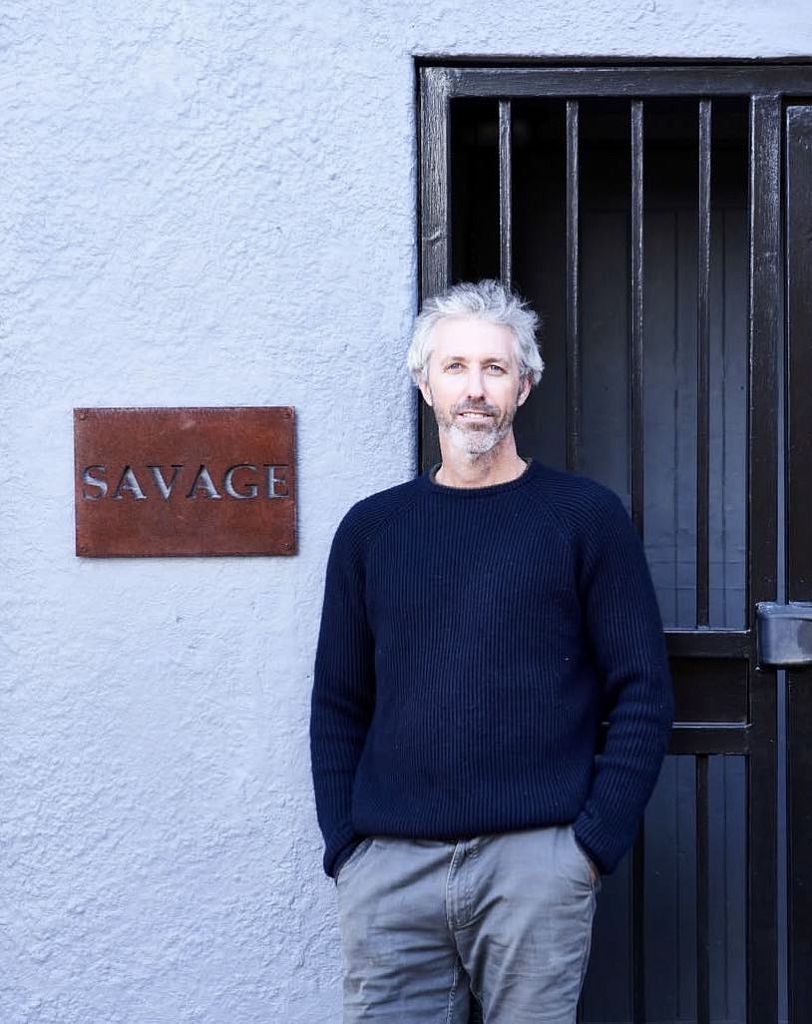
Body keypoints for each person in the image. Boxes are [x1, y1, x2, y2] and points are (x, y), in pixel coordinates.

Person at [310, 279, 673, 1023]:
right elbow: (338, 703)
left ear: (524, 386)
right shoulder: (371, 531)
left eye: (495, 368)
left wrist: (589, 847)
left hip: (536, 866)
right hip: (391, 868)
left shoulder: (585, 519)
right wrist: (349, 850)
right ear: (425, 384)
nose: (474, 389)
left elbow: (643, 689)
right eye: (455, 367)